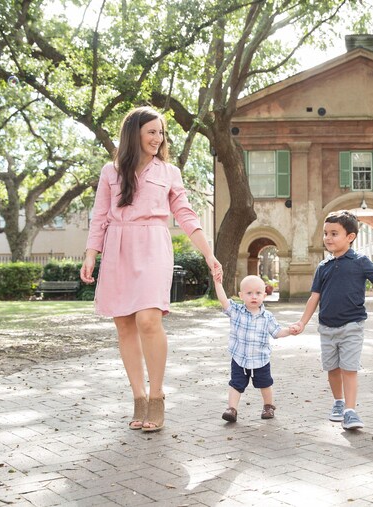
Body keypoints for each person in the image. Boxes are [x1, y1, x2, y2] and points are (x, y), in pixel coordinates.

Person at [80, 106, 222, 433]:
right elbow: (99, 216)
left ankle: (156, 396)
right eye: (152, 132)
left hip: (154, 245)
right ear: (135, 134)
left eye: (161, 133)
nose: (158, 138)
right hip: (117, 246)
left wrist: (208, 254)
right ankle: (138, 397)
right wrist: (91, 254)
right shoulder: (110, 171)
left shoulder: (169, 172)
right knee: (124, 324)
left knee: (148, 319)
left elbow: (185, 214)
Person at [294, 210, 373, 430]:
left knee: (349, 368)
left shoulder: (360, 261)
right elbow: (314, 298)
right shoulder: (323, 267)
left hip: (352, 326)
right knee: (332, 369)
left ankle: (350, 411)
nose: (328, 238)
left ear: (350, 237)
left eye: (334, 233)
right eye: (326, 233)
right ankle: (338, 402)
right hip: (326, 328)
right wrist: (302, 322)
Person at [214, 274, 296, 423]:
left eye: (258, 293)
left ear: (264, 295)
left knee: (265, 383)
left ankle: (268, 406)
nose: (254, 296)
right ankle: (232, 409)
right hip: (239, 358)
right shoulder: (236, 311)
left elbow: (277, 332)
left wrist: (289, 331)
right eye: (249, 293)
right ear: (241, 295)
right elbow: (224, 301)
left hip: (261, 359)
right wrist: (218, 283)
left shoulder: (267, 317)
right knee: (236, 384)